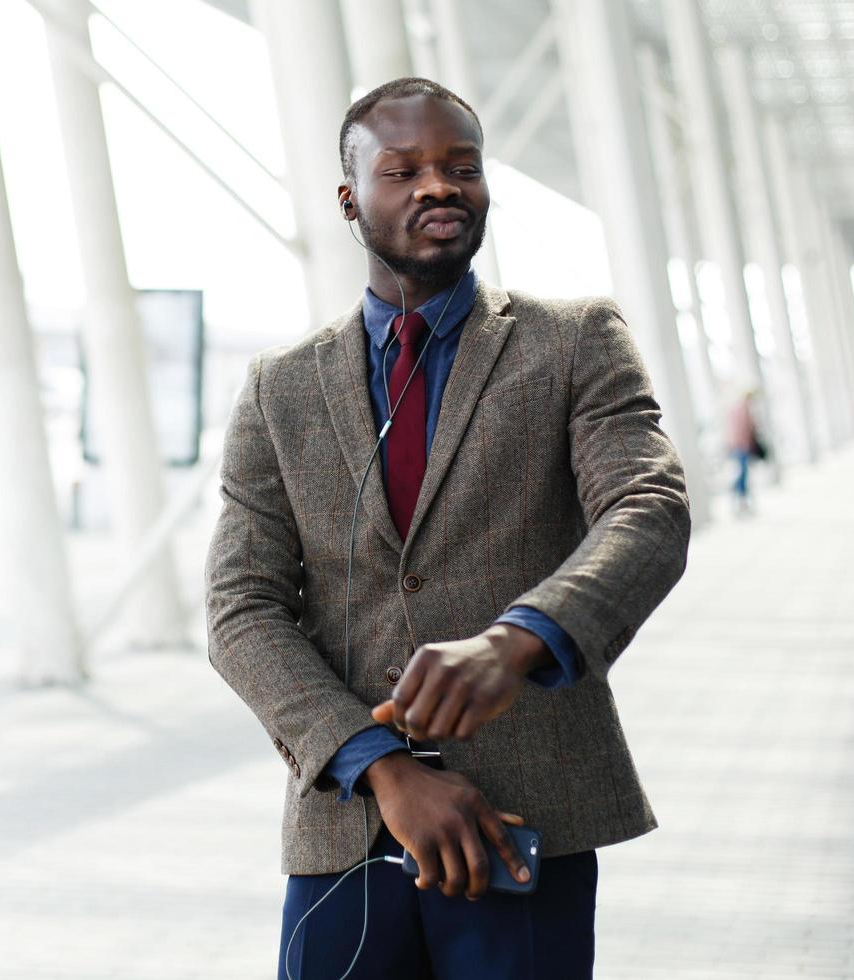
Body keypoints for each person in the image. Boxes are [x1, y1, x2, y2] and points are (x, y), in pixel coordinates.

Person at [206, 77, 690, 980]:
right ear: (352, 198)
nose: (439, 186)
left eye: (461, 167)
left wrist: (515, 644)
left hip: (527, 816)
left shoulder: (573, 340)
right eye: (405, 170)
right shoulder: (281, 386)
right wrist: (382, 768)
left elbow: (649, 509)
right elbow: (241, 609)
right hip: (348, 821)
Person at [726, 390, 761, 514]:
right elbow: (745, 428)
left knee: (743, 473)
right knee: (743, 474)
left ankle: (741, 500)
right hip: (742, 446)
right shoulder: (743, 409)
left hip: (738, 445)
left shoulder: (737, 408)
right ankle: (741, 500)